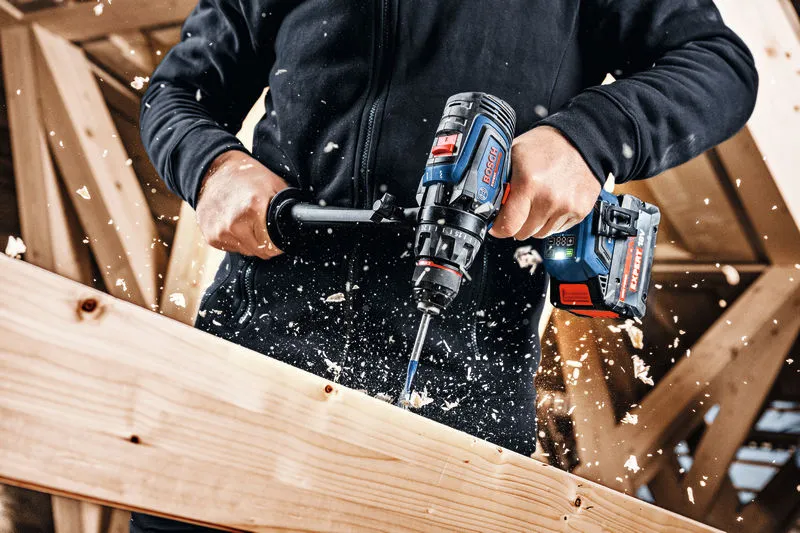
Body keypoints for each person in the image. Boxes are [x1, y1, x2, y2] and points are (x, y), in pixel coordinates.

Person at [134, 0, 757, 530]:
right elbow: (178, 94)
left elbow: (718, 65)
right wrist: (212, 165)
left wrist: (588, 138)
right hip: (249, 354)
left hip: (464, 388)